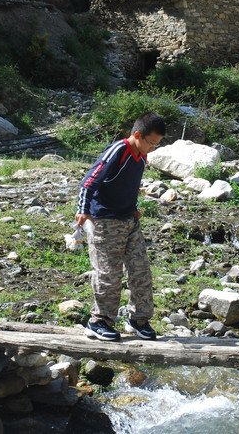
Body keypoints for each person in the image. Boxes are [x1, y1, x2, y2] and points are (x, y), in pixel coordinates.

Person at [75, 111, 165, 341]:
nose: (153, 148)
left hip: (129, 220)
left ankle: (138, 319)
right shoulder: (119, 150)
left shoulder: (141, 155)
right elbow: (89, 181)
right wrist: (83, 211)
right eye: (152, 143)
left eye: (157, 144)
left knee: (140, 271)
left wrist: (134, 207)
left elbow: (129, 185)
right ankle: (99, 321)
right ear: (138, 135)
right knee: (108, 274)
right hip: (105, 221)